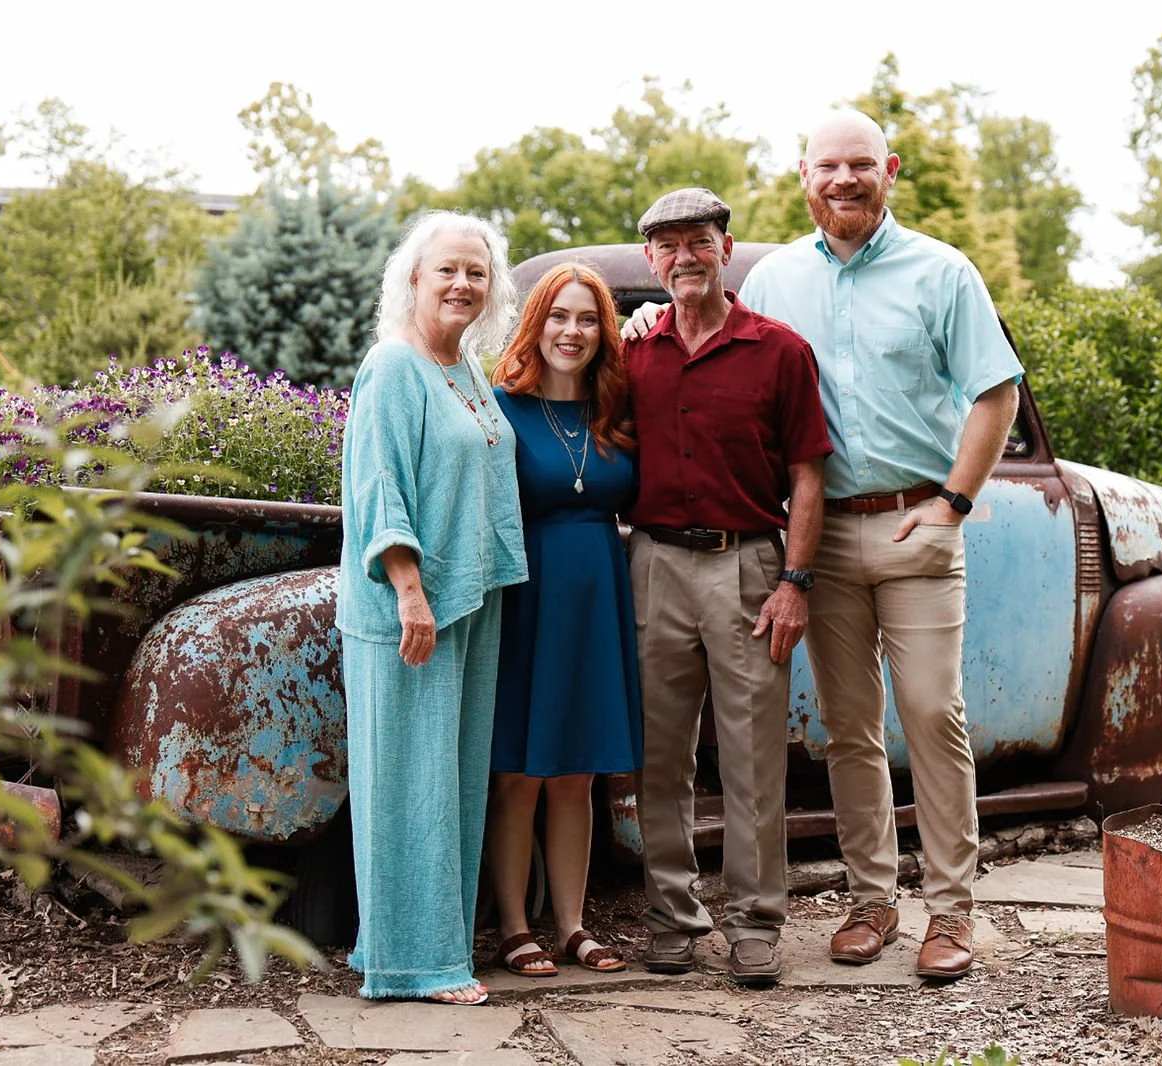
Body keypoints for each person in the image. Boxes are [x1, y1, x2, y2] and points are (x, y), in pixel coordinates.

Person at [625, 112, 1023, 981]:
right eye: (828, 166)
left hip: (918, 523)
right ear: (802, 174)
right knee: (847, 727)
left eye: (861, 165)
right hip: (821, 535)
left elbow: (995, 393)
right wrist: (649, 318)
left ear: (890, 170)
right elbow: (717, 340)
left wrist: (956, 502)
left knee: (931, 714)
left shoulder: (941, 270)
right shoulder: (775, 278)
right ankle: (873, 900)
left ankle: (951, 912)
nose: (844, 180)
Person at [624, 187, 832, 987]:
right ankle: (672, 917)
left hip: (749, 564)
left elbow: (808, 477)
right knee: (660, 756)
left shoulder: (779, 350)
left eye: (698, 241)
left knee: (751, 759)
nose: (684, 257)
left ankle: (755, 924)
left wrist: (794, 582)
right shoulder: (634, 352)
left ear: (725, 247)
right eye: (668, 246)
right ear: (651, 261)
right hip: (653, 565)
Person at [335, 211, 527, 1005]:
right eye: (446, 270)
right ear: (413, 279)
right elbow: (378, 486)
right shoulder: (393, 366)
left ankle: (414, 943)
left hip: (468, 600)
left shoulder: (467, 369)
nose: (462, 284)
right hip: (408, 608)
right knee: (408, 786)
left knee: (452, 785)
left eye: (476, 273)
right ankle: (415, 965)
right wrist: (410, 588)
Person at [483, 264, 642, 978]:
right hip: (527, 596)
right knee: (518, 771)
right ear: (535, 324)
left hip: (599, 596)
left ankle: (574, 924)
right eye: (558, 317)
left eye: (586, 320)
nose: (571, 332)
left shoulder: (617, 407)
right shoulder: (500, 408)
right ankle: (514, 927)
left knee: (578, 773)